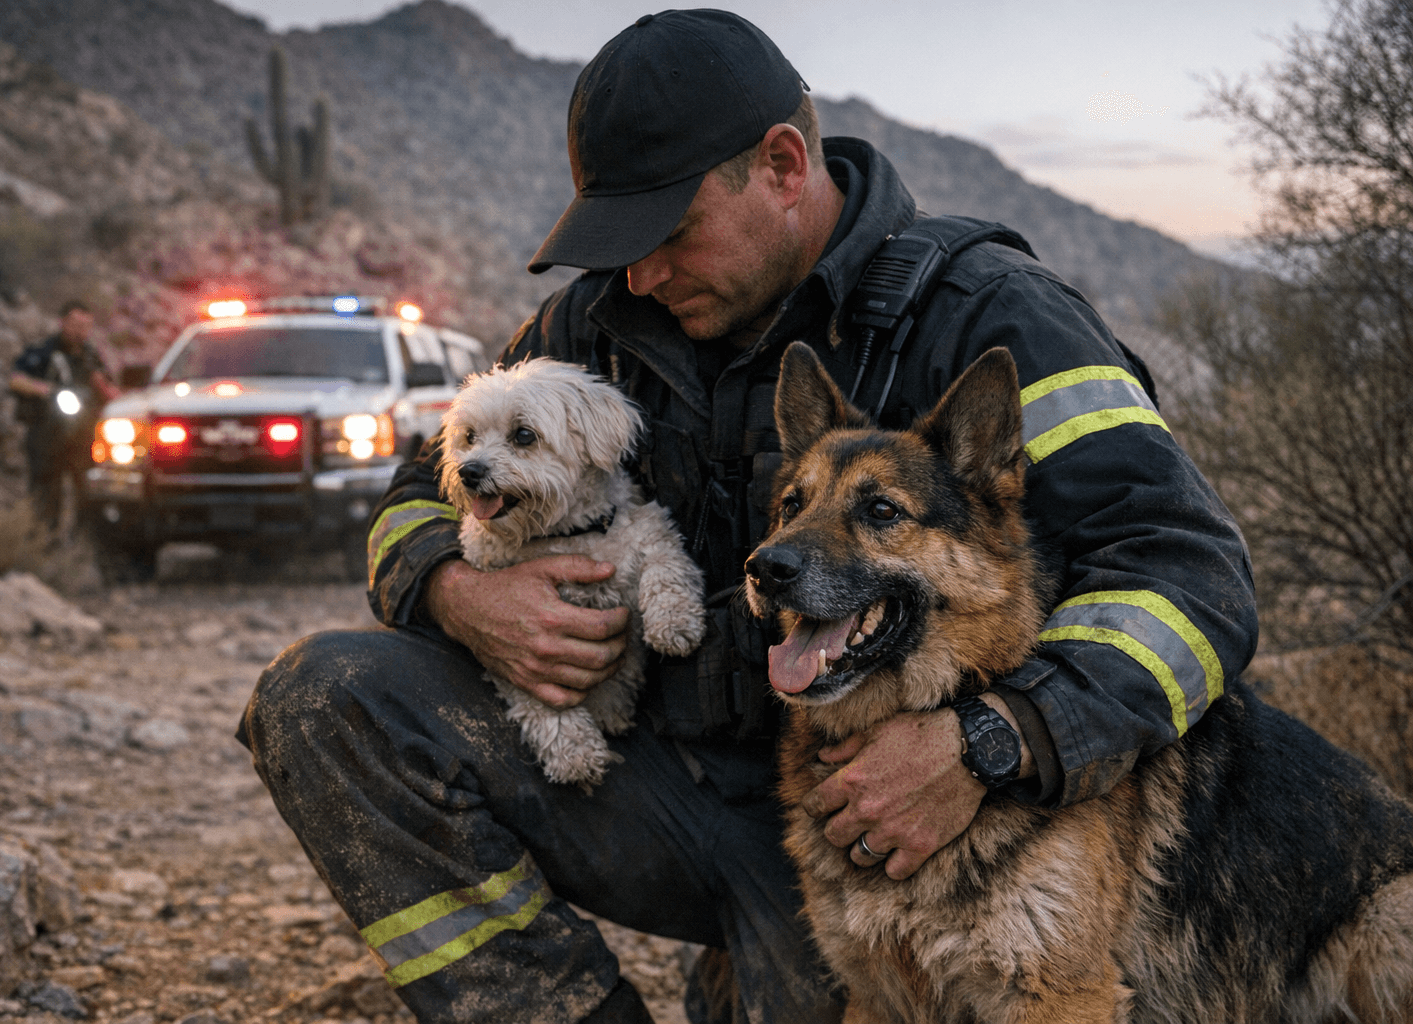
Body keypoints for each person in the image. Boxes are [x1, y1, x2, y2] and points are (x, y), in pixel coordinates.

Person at [239, 11, 1257, 1024]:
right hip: (659, 788)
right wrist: (463, 591)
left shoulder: (995, 317)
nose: (639, 274)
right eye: (619, 243)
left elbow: (1189, 574)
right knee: (324, 695)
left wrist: (991, 742)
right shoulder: (588, 328)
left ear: (781, 165)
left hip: (897, 826)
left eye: (667, 234)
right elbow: (414, 498)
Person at [9, 300, 118, 531]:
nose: (80, 331)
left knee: (88, 494)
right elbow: (16, 379)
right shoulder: (44, 352)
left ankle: (83, 544)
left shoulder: (91, 356)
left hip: (83, 436)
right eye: (75, 324)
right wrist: (46, 390)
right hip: (47, 434)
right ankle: (43, 542)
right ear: (63, 322)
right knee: (45, 494)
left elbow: (105, 384)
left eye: (86, 326)